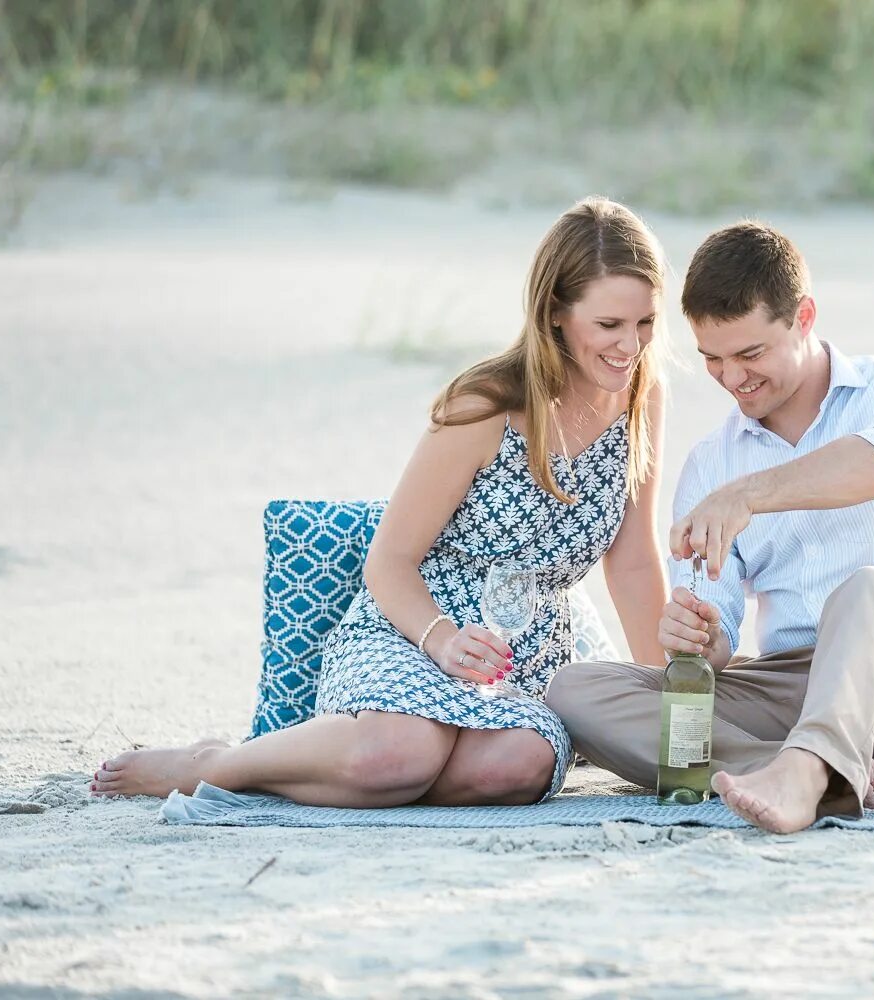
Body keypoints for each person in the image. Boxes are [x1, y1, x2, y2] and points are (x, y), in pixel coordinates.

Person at [93, 198, 670, 806]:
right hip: (414, 629)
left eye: (646, 323)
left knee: (515, 768)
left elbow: (631, 562)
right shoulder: (486, 406)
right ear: (555, 312)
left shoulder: (642, 397)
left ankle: (381, 774)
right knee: (397, 754)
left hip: (520, 656)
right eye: (609, 325)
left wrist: (673, 705)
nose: (630, 346)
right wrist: (442, 639)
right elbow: (389, 560)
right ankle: (218, 763)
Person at [546, 220, 874, 833]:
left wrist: (751, 495)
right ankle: (806, 768)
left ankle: (812, 764)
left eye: (750, 354)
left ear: (803, 317)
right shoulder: (711, 465)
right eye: (713, 360)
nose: (733, 378)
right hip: (789, 689)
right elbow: (717, 639)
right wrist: (699, 636)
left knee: (867, 589)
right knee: (575, 691)